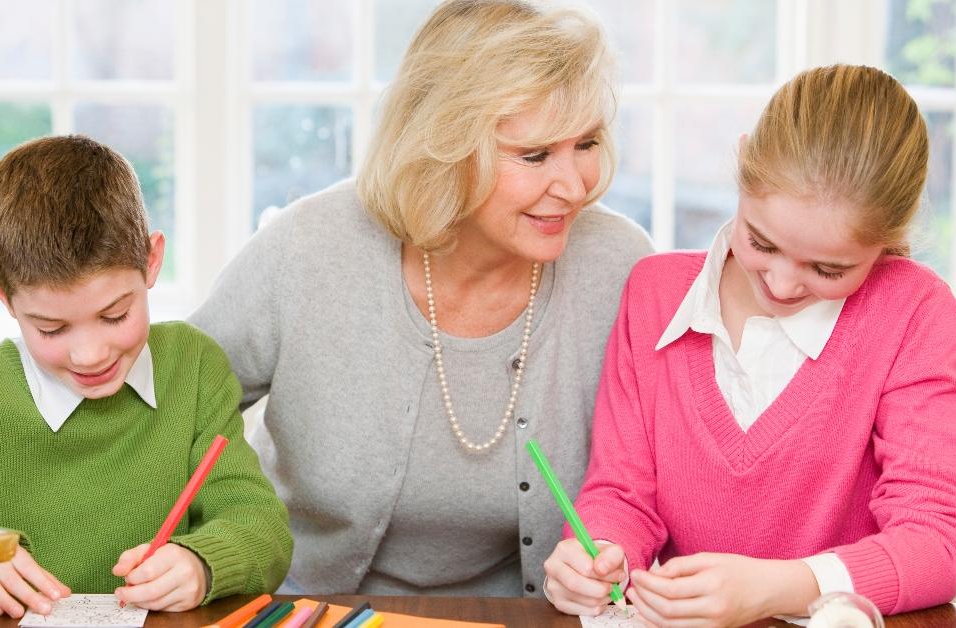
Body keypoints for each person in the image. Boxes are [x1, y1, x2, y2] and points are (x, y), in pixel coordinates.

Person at [189, 0, 652, 598]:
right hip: (312, 609)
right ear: (444, 145)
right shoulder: (308, 248)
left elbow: (663, 473)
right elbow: (172, 405)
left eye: (586, 143)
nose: (573, 186)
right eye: (534, 155)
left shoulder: (619, 265)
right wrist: (213, 545)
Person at [543, 64, 956, 626]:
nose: (781, 284)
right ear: (744, 167)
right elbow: (623, 495)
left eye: (829, 268)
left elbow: (934, 542)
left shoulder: (916, 316)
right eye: (761, 242)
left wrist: (775, 588)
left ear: (890, 237)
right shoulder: (653, 295)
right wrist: (599, 558)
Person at [0, 135, 292, 618]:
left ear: (151, 260)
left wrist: (202, 563)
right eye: (51, 328)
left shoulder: (192, 367)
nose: (90, 354)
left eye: (116, 314)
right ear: (2, 293)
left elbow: (261, 525)